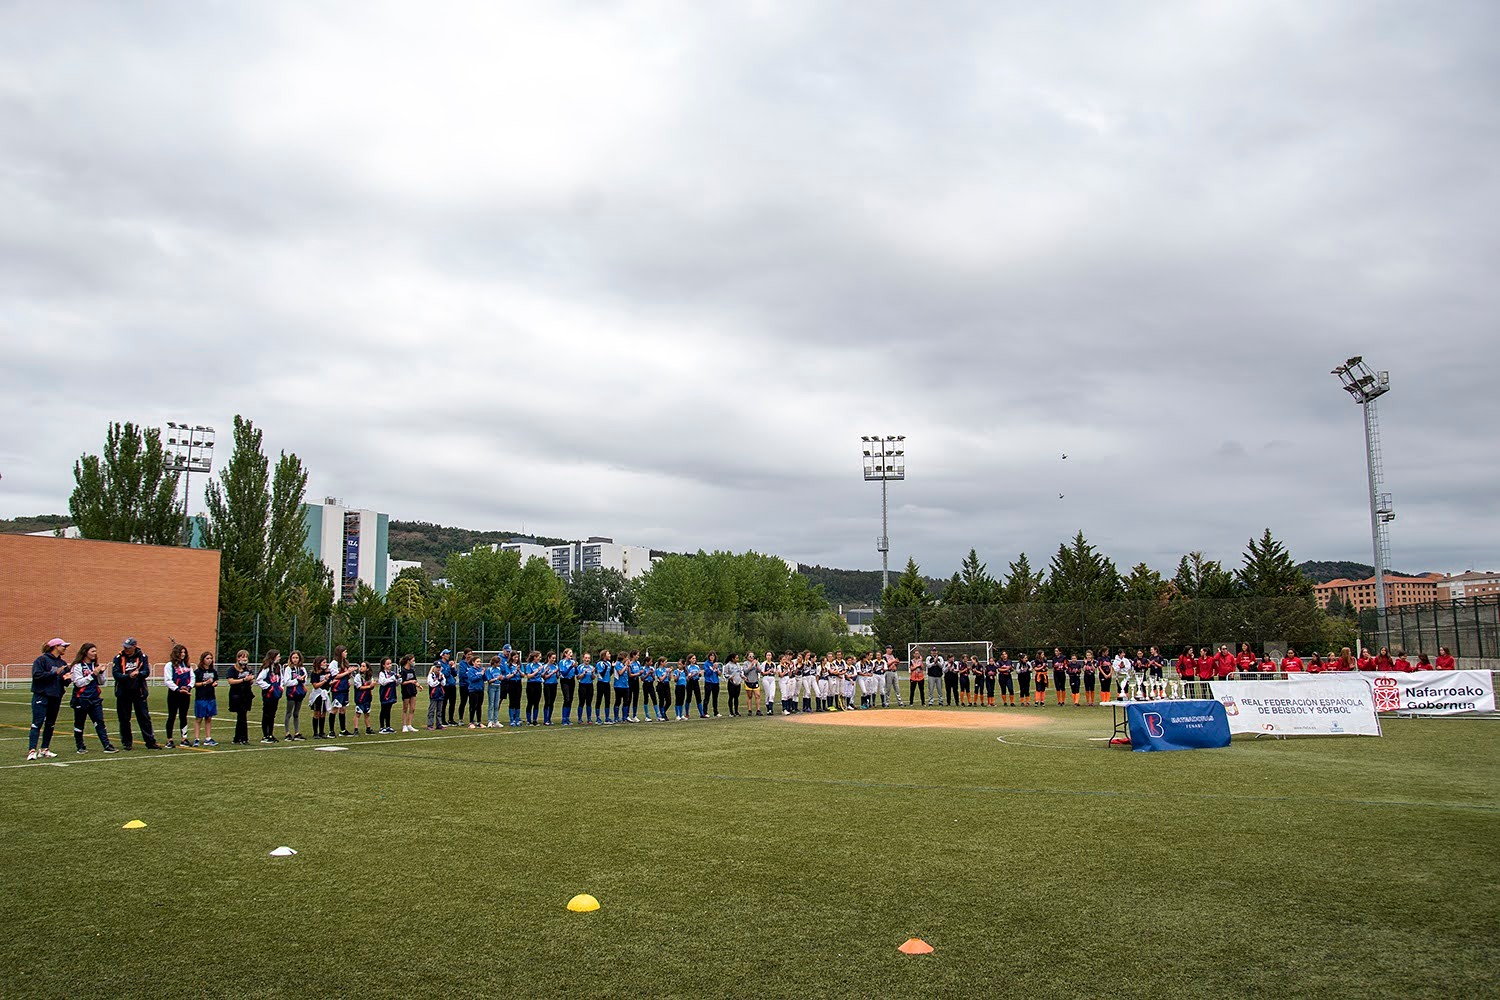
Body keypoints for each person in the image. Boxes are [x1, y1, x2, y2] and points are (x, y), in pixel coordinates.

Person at [27, 638, 72, 760]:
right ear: (55, 646)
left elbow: (64, 681)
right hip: (41, 695)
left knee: (50, 724)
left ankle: (44, 749)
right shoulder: (41, 660)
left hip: (56, 696)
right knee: (37, 723)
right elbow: (37, 676)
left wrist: (67, 679)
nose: (65, 649)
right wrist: (55, 673)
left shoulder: (62, 663)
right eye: (63, 646)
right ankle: (32, 750)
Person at [69, 642, 118, 754]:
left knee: (99, 722)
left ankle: (106, 745)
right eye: (92, 651)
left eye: (95, 651)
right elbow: (78, 683)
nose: (95, 654)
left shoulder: (95, 665)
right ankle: (80, 746)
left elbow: (101, 682)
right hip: (81, 698)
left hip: (95, 698)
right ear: (85, 652)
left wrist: (100, 673)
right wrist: (92, 675)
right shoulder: (78, 666)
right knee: (79, 723)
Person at [111, 638, 158, 750]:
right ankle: (127, 743)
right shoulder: (118, 658)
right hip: (123, 693)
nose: (126, 649)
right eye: (125, 647)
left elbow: (146, 672)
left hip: (139, 692)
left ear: (134, 646)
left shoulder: (142, 657)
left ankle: (150, 742)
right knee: (124, 719)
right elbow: (116, 674)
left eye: (128, 647)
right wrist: (128, 676)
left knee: (144, 717)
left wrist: (138, 674)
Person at [163, 644, 193, 748]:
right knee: (172, 716)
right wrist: (178, 689)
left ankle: (184, 738)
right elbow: (168, 680)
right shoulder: (169, 665)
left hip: (186, 694)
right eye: (181, 652)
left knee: (183, 716)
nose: (183, 654)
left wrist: (188, 687)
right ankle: (169, 739)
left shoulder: (187, 665)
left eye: (184, 652)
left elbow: (192, 678)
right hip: (174, 694)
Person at [225, 649, 256, 745]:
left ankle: (238, 738)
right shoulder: (232, 669)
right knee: (242, 715)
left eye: (246, 657)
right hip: (236, 695)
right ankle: (243, 737)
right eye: (242, 657)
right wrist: (243, 680)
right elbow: (231, 681)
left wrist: (250, 680)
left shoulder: (248, 669)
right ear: (238, 658)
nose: (244, 659)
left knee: (243, 715)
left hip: (246, 694)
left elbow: (251, 681)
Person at [255, 650, 283, 743]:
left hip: (275, 693)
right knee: (267, 713)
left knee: (272, 715)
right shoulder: (266, 668)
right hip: (268, 694)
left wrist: (280, 688)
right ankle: (265, 735)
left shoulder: (278, 667)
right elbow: (259, 680)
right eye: (278, 656)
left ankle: (270, 734)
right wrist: (268, 687)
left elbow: (281, 679)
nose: (279, 658)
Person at [192, 651, 218, 747]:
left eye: (211, 658)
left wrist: (214, 683)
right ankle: (196, 738)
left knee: (209, 718)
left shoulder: (213, 671)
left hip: (211, 697)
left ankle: (208, 738)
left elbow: (216, 680)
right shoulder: (198, 672)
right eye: (207, 658)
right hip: (201, 697)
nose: (210, 660)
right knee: (199, 718)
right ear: (203, 659)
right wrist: (204, 683)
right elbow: (194, 684)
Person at [282, 650, 307, 740]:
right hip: (291, 693)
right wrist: (297, 680)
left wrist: (302, 680)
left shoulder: (302, 669)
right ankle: (287, 733)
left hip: (299, 693)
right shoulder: (288, 669)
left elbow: (305, 680)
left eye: (297, 658)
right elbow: (286, 682)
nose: (295, 660)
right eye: (293, 658)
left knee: (296, 713)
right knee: (289, 713)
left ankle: (297, 732)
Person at [329, 646, 354, 737]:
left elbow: (345, 675)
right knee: (335, 708)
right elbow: (336, 675)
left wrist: (349, 673)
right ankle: (331, 731)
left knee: (343, 709)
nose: (346, 653)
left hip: (344, 689)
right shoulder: (334, 663)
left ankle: (343, 730)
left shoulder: (344, 662)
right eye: (345, 652)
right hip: (337, 689)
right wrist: (347, 672)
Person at [307, 655, 331, 739]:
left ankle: (322, 732)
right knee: (317, 713)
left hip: (325, 694)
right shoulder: (315, 673)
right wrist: (324, 680)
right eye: (324, 662)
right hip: (317, 695)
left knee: (323, 713)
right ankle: (315, 733)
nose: (326, 664)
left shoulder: (327, 672)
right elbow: (315, 685)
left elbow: (329, 684)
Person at [377, 658, 399, 733]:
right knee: (383, 709)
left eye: (390, 663)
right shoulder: (382, 673)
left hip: (391, 693)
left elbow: (396, 683)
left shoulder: (392, 673)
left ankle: (388, 726)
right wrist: (393, 678)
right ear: (383, 665)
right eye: (388, 664)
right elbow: (383, 682)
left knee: (388, 710)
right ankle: (382, 727)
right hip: (385, 693)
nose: (390, 665)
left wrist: (398, 679)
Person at [467, 652, 487, 728]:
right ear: (473, 662)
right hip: (473, 690)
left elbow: (485, 679)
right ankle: (471, 722)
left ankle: (479, 722)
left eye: (480, 661)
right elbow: (472, 679)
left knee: (479, 706)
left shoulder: (481, 669)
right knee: (473, 706)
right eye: (477, 661)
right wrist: (480, 674)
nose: (479, 663)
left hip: (480, 690)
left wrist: (484, 673)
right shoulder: (471, 670)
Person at [399, 655, 420, 732]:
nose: (414, 662)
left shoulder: (412, 670)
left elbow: (415, 680)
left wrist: (418, 685)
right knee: (405, 708)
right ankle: (404, 725)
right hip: (406, 691)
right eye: (413, 660)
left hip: (412, 691)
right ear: (408, 661)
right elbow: (402, 682)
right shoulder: (403, 671)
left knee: (412, 708)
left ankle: (409, 725)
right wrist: (410, 681)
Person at [523, 651, 544, 726]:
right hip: (531, 684)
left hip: (538, 684)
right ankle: (529, 720)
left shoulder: (540, 665)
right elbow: (528, 676)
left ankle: (535, 720)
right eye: (539, 657)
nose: (540, 658)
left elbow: (542, 675)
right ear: (535, 657)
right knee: (530, 702)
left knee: (536, 703)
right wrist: (537, 670)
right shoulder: (529, 665)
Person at [354, 663, 375, 735]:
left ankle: (368, 728)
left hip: (367, 697)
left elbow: (371, 686)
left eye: (363, 666)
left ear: (367, 668)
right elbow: (359, 687)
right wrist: (369, 686)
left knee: (367, 713)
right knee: (358, 713)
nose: (361, 668)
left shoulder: (369, 677)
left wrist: (372, 685)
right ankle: (356, 729)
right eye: (361, 666)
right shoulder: (358, 676)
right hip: (360, 697)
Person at [485, 655, 505, 729]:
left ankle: (496, 720)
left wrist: (501, 678)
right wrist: (497, 678)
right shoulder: (489, 669)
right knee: (491, 704)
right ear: (495, 663)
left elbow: (502, 676)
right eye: (498, 663)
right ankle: (490, 721)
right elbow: (489, 680)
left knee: (496, 704)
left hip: (498, 686)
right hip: (492, 687)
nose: (499, 664)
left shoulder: (499, 668)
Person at [558, 648, 577, 726]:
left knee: (570, 699)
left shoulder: (572, 662)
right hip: (565, 681)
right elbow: (564, 673)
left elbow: (576, 673)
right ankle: (564, 719)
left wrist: (575, 667)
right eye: (569, 653)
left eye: (571, 653)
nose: (571, 654)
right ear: (565, 654)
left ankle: (567, 718)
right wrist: (571, 667)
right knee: (567, 698)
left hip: (572, 680)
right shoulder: (562, 662)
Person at [575, 653, 595, 725]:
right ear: (583, 658)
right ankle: (580, 719)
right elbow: (577, 677)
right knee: (581, 702)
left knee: (589, 702)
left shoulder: (591, 667)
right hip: (582, 685)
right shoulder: (580, 667)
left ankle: (589, 718)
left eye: (588, 658)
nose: (587, 659)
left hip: (590, 685)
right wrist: (583, 673)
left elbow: (593, 678)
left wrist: (592, 673)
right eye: (586, 658)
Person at [541, 652, 560, 726]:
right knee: (547, 702)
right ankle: (545, 719)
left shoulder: (555, 666)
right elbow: (544, 677)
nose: (554, 659)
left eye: (555, 658)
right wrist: (551, 673)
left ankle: (549, 718)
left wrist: (557, 673)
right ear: (549, 658)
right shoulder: (545, 666)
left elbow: (558, 676)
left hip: (554, 685)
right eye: (553, 658)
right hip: (547, 685)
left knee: (552, 702)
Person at [426, 661, 446, 730]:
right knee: (432, 710)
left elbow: (444, 683)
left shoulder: (441, 674)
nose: (438, 669)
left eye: (439, 667)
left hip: (440, 694)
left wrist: (441, 679)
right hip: (433, 695)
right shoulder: (431, 675)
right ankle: (430, 724)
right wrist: (438, 680)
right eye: (437, 667)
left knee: (439, 711)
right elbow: (432, 684)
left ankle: (439, 724)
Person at [703, 652, 722, 718]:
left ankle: (716, 712)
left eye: (713, 656)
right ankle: (705, 712)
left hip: (716, 682)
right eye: (711, 656)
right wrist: (713, 668)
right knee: (707, 697)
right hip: (709, 682)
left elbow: (719, 673)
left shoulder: (717, 664)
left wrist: (718, 670)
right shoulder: (707, 663)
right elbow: (707, 673)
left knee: (715, 698)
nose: (712, 657)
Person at [725, 653, 744, 717]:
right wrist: (730, 677)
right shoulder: (728, 665)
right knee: (731, 697)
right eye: (736, 658)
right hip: (731, 683)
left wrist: (742, 677)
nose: (737, 659)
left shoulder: (738, 665)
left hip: (738, 683)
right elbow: (725, 674)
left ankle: (736, 711)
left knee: (736, 697)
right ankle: (731, 712)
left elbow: (740, 672)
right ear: (732, 659)